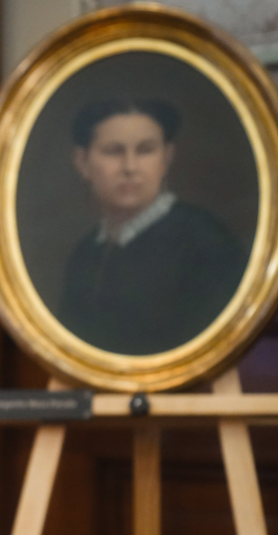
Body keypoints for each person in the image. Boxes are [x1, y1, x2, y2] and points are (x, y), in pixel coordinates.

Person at [56, 97, 248, 355]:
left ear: (166, 158)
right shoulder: (84, 253)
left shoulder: (205, 241)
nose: (130, 168)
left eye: (145, 150)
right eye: (113, 151)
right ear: (82, 162)